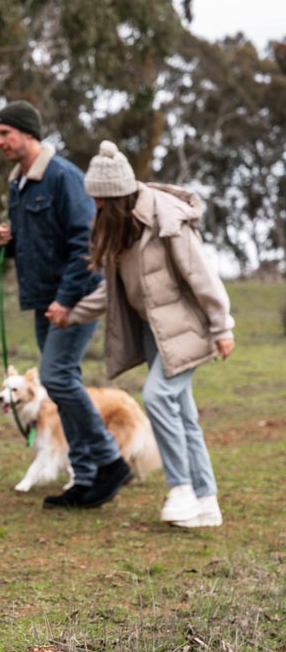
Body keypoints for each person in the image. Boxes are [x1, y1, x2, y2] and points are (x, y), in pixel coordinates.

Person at [48, 139, 235, 528]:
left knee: (157, 395)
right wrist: (73, 314)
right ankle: (207, 502)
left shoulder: (166, 220)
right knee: (183, 415)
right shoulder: (122, 230)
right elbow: (111, 293)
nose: (94, 207)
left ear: (115, 196)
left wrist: (222, 327)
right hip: (156, 332)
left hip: (188, 328)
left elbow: (202, 276)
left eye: (99, 200)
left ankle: (181, 488)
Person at [0, 100, 133, 509]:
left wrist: (66, 299)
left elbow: (83, 243)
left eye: (6, 133)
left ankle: (109, 460)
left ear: (29, 134)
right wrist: (11, 239)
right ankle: (86, 478)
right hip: (42, 300)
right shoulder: (16, 183)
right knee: (60, 379)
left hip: (75, 297)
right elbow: (42, 239)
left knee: (56, 376)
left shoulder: (63, 177)